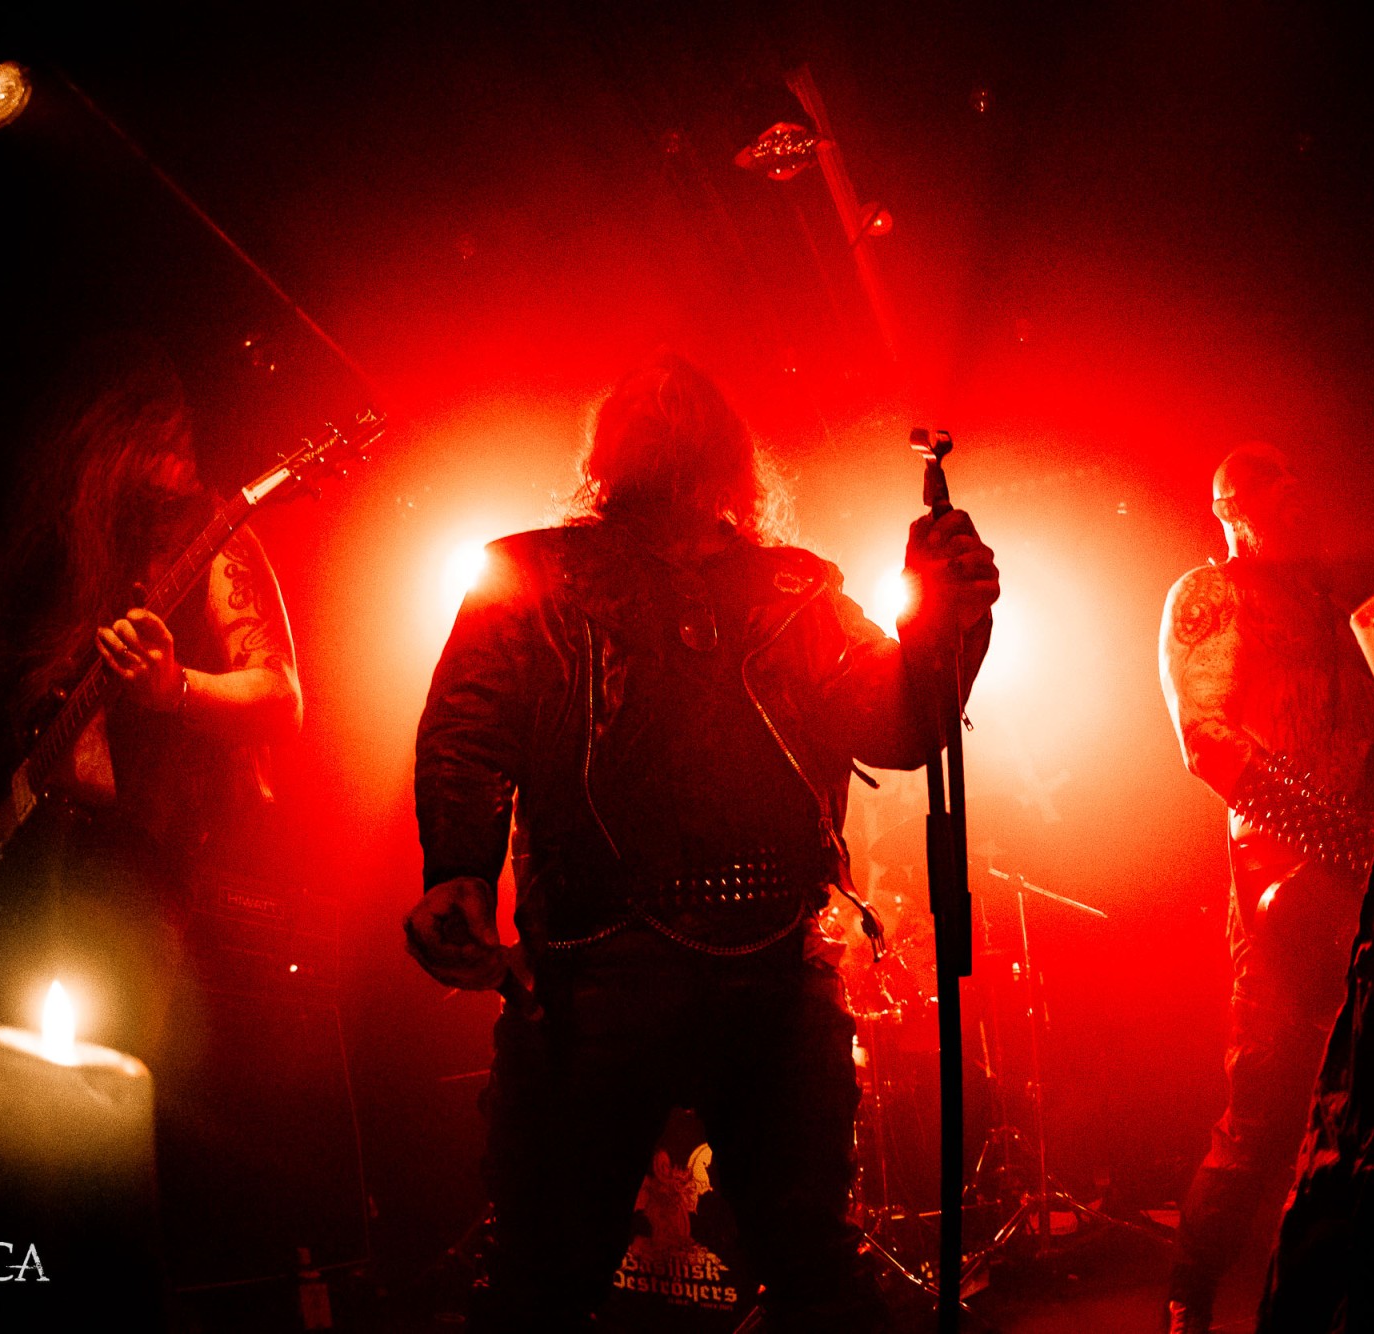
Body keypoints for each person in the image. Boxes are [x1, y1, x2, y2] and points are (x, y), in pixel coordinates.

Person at [404, 354, 998, 1333]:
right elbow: (467, 732)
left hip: (706, 971)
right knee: (574, 1274)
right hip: (629, 967)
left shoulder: (789, 589)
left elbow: (898, 723)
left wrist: (949, 623)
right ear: (737, 462)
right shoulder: (544, 576)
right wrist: (457, 867)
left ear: (603, 458)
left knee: (598, 1276)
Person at [0, 341, 303, 1064]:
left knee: (107, 1078)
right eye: (157, 434)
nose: (181, 449)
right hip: (18, 862)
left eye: (183, 430)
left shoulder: (213, 535)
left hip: (132, 870)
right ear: (106, 441)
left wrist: (177, 687)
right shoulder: (49, 551)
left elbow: (280, 696)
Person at [1156, 444, 1374, 1333]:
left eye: (1296, 481)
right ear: (1230, 510)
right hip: (1277, 882)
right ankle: (1189, 1294)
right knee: (1262, 1107)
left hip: (1366, 874)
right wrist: (1331, 833)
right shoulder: (1211, 595)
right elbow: (1206, 739)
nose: (1292, 496)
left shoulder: (1333, 606)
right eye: (1268, 486)